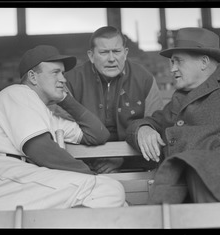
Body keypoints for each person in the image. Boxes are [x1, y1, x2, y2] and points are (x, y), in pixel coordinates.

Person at [0, 45, 126, 211]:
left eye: (63, 73)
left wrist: (65, 100)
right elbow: (41, 149)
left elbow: (98, 134)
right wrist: (91, 177)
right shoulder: (17, 93)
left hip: (15, 180)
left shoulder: (48, 115)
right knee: (107, 190)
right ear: (33, 77)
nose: (63, 79)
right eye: (55, 72)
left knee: (114, 200)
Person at [126, 27, 220, 203]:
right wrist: (143, 129)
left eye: (178, 61)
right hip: (179, 179)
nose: (172, 69)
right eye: (171, 62)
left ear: (204, 62)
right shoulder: (179, 99)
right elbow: (145, 123)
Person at [65, 26, 164, 174]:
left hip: (135, 163)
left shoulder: (144, 79)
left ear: (125, 53)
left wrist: (121, 158)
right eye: (104, 52)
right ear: (91, 56)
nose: (111, 59)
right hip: (84, 165)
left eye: (117, 51)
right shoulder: (71, 80)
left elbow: (158, 125)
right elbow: (64, 131)